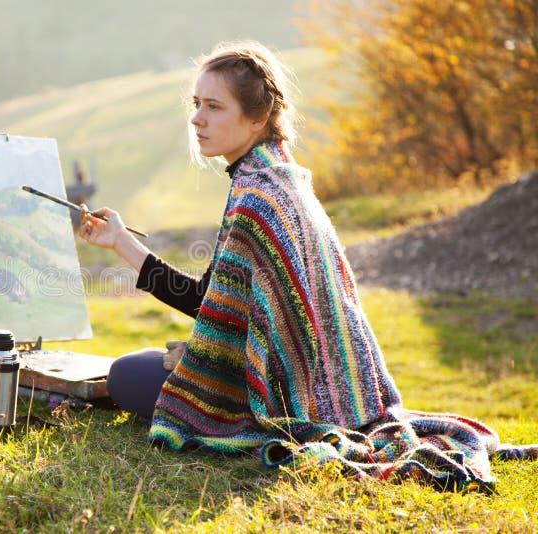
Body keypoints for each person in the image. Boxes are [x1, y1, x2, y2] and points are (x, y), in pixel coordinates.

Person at [78, 41, 535, 491]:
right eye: (196, 103)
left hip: (271, 390)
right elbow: (226, 302)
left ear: (257, 117)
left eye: (214, 106)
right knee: (143, 366)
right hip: (322, 382)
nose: (197, 118)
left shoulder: (256, 195)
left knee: (125, 374)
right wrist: (120, 240)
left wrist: (123, 246)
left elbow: (207, 306)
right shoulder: (282, 174)